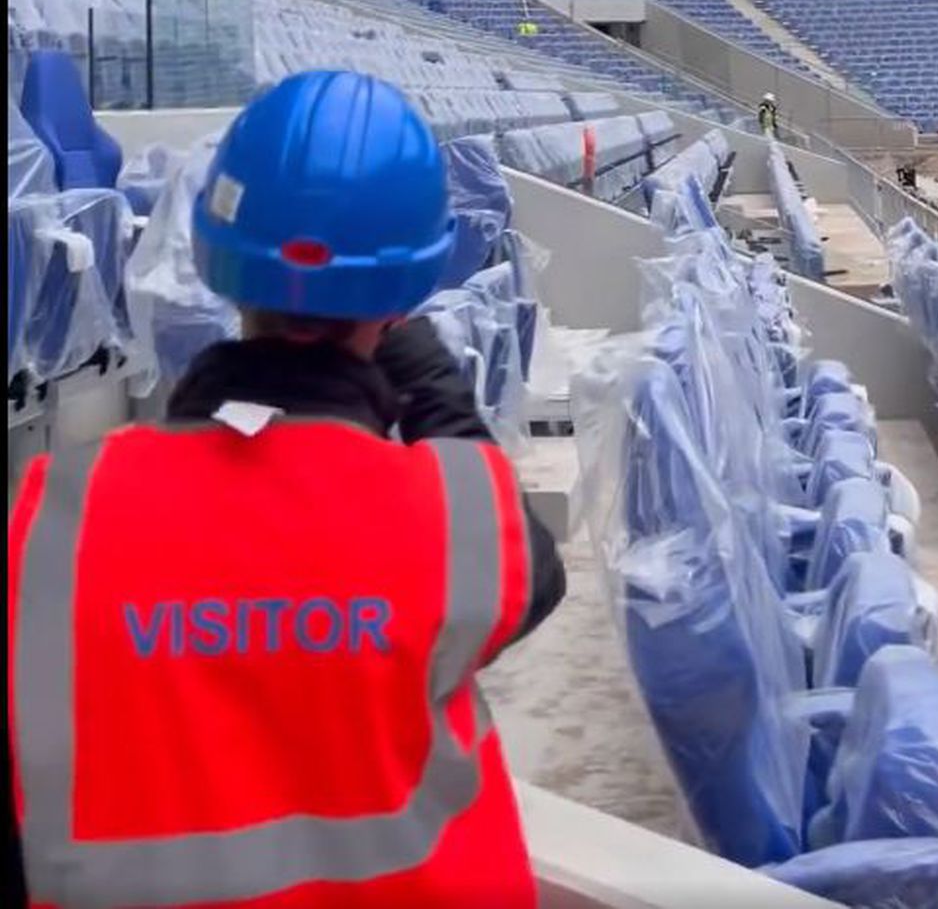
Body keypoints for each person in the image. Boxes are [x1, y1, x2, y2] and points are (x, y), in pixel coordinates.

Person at [8, 70, 565, 909]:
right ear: (409, 291)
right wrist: (413, 354)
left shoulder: (55, 515)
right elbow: (537, 570)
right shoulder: (454, 515)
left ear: (209, 254)